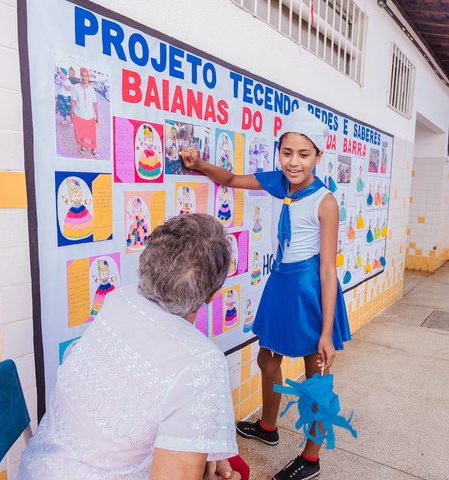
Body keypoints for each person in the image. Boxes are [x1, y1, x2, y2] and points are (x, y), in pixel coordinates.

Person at [180, 107, 351, 480]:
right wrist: (199, 165)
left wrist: (325, 332)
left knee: (315, 378)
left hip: (309, 288)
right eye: (287, 152)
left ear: (318, 157)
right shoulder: (279, 182)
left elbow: (327, 269)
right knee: (267, 358)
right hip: (281, 283)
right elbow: (231, 179)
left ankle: (311, 458)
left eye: (304, 155)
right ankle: (268, 427)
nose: (293, 162)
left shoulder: (325, 202)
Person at [18, 214, 249, 480]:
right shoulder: (202, 360)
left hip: (38, 468)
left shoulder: (121, 298)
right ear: (211, 295)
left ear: (146, 265)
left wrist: (199, 448)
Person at [71, 67, 99, 158]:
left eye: (86, 76)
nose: (84, 78)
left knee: (92, 134)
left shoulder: (91, 90)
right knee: (81, 132)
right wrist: (71, 113)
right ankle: (83, 146)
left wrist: (97, 116)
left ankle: (94, 148)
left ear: (88, 77)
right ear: (80, 76)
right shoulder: (76, 88)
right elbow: (74, 101)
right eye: (82, 75)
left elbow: (94, 104)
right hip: (79, 114)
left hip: (89, 116)